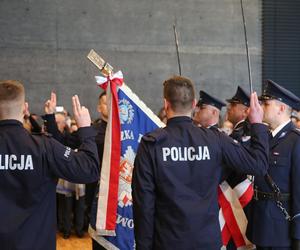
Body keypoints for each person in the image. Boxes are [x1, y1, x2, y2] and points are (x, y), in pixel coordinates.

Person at [132, 75, 269, 249]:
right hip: (206, 241)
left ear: (166, 104)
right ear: (194, 104)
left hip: (167, 241)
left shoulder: (151, 144)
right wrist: (257, 123)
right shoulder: (215, 139)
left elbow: (143, 204)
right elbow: (258, 165)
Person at [0, 80, 100, 250]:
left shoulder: (45, 145)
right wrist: (85, 129)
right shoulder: (44, 146)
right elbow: (89, 169)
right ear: (25, 108)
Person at [246, 79, 300, 249]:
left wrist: (298, 235)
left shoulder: (295, 141)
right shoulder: (265, 138)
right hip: (261, 222)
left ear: (282, 109)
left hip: (281, 227)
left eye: (266, 104)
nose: (261, 108)